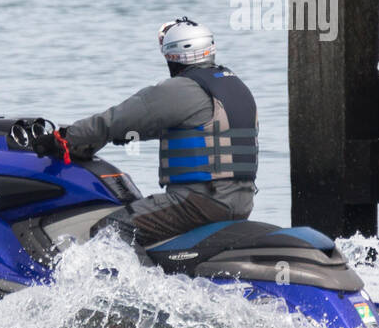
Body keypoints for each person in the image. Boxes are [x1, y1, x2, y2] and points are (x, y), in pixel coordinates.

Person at [61, 17, 258, 246]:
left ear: (173, 54)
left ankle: (138, 283)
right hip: (241, 201)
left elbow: (114, 120)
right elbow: (189, 129)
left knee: (111, 231)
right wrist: (119, 136)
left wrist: (65, 137)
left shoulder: (182, 88)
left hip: (200, 201)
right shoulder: (234, 86)